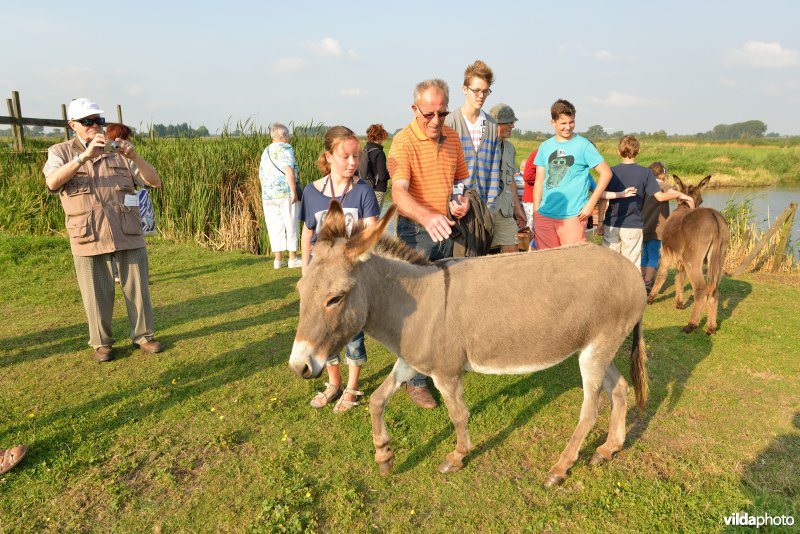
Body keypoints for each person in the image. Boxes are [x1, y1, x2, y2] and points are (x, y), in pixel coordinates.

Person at [43, 98, 164, 363]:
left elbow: (154, 182)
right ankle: (101, 343)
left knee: (138, 289)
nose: (95, 126)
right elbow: (52, 183)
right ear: (72, 124)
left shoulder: (118, 151)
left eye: (99, 120)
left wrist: (135, 157)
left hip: (126, 230)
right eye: (87, 121)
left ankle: (144, 336)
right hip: (88, 234)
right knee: (95, 293)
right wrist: (83, 157)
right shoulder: (60, 152)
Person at [387, 78, 470, 409]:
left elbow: (461, 181)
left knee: (444, 301)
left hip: (446, 226)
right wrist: (426, 217)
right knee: (416, 308)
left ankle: (441, 362)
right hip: (415, 230)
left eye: (442, 114)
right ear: (414, 109)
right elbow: (398, 193)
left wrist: (459, 203)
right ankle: (416, 380)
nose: (436, 121)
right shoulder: (402, 142)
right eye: (428, 114)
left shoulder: (452, 138)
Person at [300, 126, 380, 413]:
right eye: (345, 156)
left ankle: (351, 386)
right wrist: (305, 269)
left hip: (348, 278)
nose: (352, 162)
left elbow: (372, 230)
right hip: (319, 279)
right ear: (329, 156)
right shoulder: (311, 191)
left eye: (356, 156)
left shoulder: (362, 191)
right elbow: (308, 232)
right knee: (322, 330)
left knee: (352, 334)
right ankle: (333, 383)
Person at [596, 136, 695, 269]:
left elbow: (602, 197)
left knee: (609, 262)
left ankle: (609, 289)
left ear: (618, 151)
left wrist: (601, 222)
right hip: (633, 225)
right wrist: (679, 194)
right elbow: (659, 197)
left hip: (611, 223)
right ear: (639, 151)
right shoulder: (646, 173)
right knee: (631, 264)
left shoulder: (610, 171)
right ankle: (632, 290)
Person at [532, 99, 612, 250]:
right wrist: (536, 213)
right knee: (547, 263)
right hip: (544, 216)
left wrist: (589, 205)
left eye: (571, 122)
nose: (568, 127)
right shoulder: (544, 147)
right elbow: (539, 180)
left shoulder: (584, 145)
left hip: (572, 217)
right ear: (553, 122)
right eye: (563, 123)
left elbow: (606, 173)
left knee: (572, 265)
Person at [444, 60, 502, 216]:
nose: (481, 96)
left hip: (483, 210)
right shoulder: (450, 123)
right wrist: (454, 202)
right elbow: (447, 170)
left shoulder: (492, 125)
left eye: (485, 91)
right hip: (454, 208)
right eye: (476, 90)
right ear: (464, 89)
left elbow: (494, 171)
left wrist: (490, 209)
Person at [640, 162, 689, 291]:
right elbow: (672, 191)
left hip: (644, 226)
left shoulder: (646, 185)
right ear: (662, 174)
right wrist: (684, 196)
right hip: (657, 228)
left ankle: (641, 278)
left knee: (645, 254)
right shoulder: (662, 185)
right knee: (654, 256)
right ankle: (647, 282)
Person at [259, 123, 302, 269]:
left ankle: (278, 260)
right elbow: (288, 170)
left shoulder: (266, 151)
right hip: (285, 193)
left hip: (268, 195)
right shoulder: (285, 148)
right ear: (282, 136)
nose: (289, 137)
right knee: (291, 223)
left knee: (274, 226)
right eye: (288, 135)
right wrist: (294, 191)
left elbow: (261, 176)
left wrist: (266, 193)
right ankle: (293, 258)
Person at [488, 103, 527, 253]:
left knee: (511, 251)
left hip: (505, 210)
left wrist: (518, 209)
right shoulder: (479, 145)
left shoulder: (510, 148)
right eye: (509, 122)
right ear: (497, 123)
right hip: (484, 210)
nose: (513, 126)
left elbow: (510, 182)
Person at [361, 124, 391, 209]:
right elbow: (382, 176)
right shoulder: (379, 153)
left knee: (366, 217)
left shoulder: (364, 150)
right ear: (380, 136)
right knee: (375, 218)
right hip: (378, 189)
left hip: (364, 188)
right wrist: (391, 173)